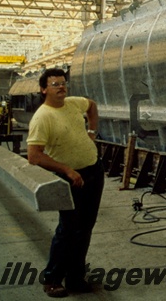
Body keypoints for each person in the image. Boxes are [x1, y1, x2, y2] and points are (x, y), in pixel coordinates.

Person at [27, 68, 103, 298]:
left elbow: (91, 105)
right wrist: (67, 170)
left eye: (63, 83)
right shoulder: (42, 117)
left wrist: (92, 131)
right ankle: (52, 279)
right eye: (55, 84)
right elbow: (34, 155)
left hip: (92, 171)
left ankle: (75, 277)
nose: (61, 87)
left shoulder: (72, 103)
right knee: (68, 228)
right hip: (70, 178)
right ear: (43, 89)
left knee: (85, 227)